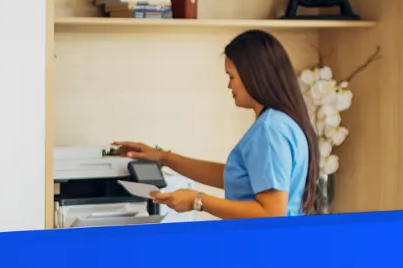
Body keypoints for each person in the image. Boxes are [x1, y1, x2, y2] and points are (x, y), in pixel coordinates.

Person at [114, 29, 319, 219]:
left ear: (254, 75)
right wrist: (164, 157)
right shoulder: (281, 122)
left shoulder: (269, 129)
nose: (229, 85)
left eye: (231, 77)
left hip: (263, 249)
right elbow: (236, 177)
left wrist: (197, 200)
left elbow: (271, 213)